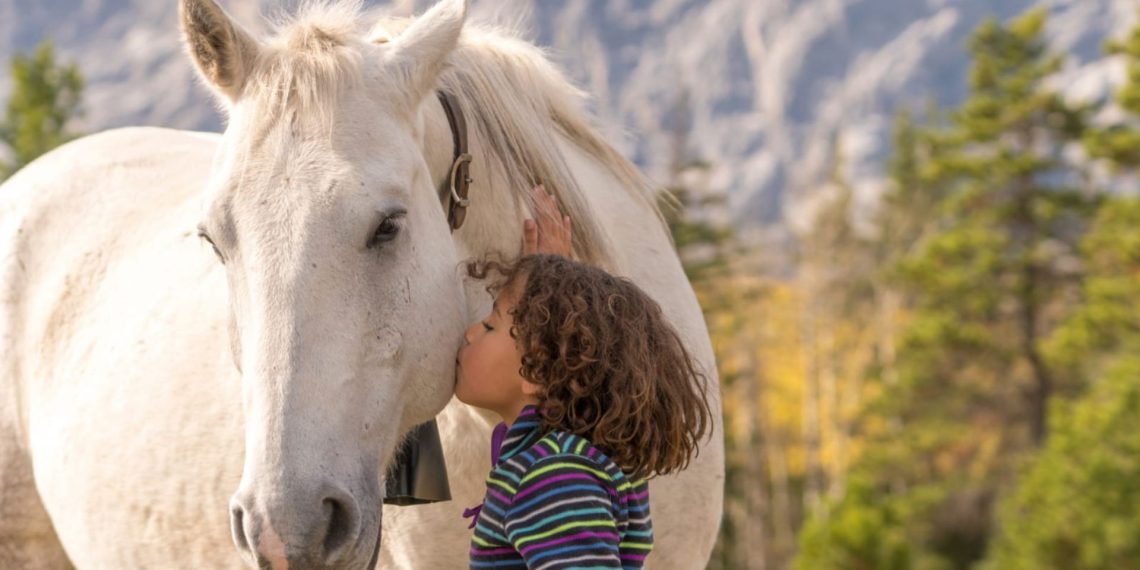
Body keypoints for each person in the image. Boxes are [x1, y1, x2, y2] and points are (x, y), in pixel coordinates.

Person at [456, 186, 713, 569]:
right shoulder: (568, 460)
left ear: (537, 370)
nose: (470, 332)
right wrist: (549, 286)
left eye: (490, 325)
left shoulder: (553, 477)